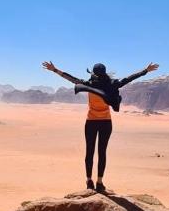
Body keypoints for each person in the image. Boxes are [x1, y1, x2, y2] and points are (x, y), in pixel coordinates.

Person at [42, 60, 159, 193]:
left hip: (91, 122)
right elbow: (129, 79)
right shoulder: (112, 84)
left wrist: (55, 70)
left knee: (89, 152)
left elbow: (71, 79)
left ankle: (89, 181)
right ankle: (99, 182)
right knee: (102, 153)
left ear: (93, 73)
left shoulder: (89, 84)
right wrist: (145, 70)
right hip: (106, 122)